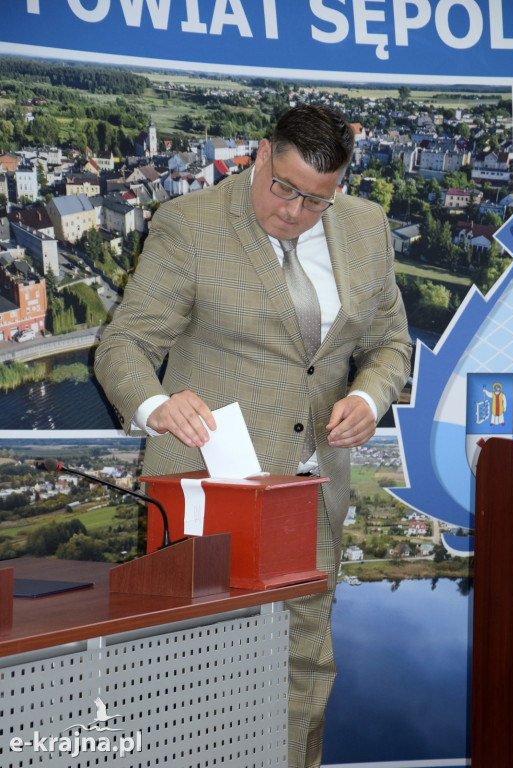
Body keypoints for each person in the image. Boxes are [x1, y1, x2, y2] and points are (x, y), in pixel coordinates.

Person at [94, 104, 412, 768]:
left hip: (309, 497)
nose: (295, 212)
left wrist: (368, 396)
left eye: (317, 200)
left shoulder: (367, 227)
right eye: (284, 188)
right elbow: (124, 345)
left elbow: (390, 344)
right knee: (194, 678)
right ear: (262, 153)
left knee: (302, 674)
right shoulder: (190, 223)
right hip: (207, 492)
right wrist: (156, 404)